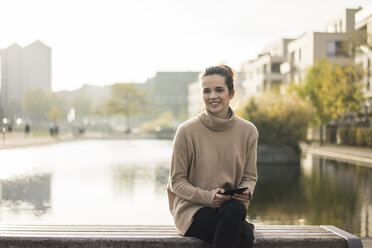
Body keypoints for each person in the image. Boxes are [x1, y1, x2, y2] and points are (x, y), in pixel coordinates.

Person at [167, 65, 258, 248]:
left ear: (231, 93)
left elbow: (250, 177)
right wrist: (210, 197)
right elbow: (176, 182)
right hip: (192, 209)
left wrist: (246, 191)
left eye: (219, 90)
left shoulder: (248, 131)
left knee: (234, 211)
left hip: (230, 207)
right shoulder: (186, 131)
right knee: (244, 235)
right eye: (206, 91)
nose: (212, 96)